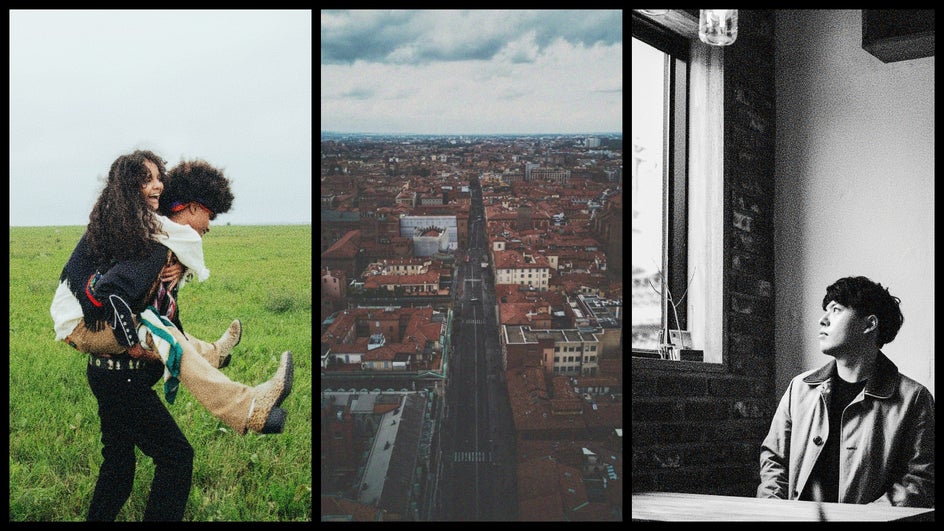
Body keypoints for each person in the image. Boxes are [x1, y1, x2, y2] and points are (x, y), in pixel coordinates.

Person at [50, 150, 292, 521]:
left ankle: (213, 354)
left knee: (118, 468)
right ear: (192, 207)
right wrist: (135, 346)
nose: (210, 226)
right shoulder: (153, 243)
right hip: (120, 372)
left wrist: (176, 269)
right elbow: (113, 292)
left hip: (106, 373)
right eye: (210, 215)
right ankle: (249, 408)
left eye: (158, 180)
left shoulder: (143, 236)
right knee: (176, 456)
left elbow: (144, 301)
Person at [757, 276, 934, 507]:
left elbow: (921, 480)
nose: (823, 320)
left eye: (836, 310)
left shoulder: (914, 398)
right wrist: (775, 512)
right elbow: (774, 460)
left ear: (869, 324)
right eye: (826, 310)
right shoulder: (799, 388)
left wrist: (865, 518)